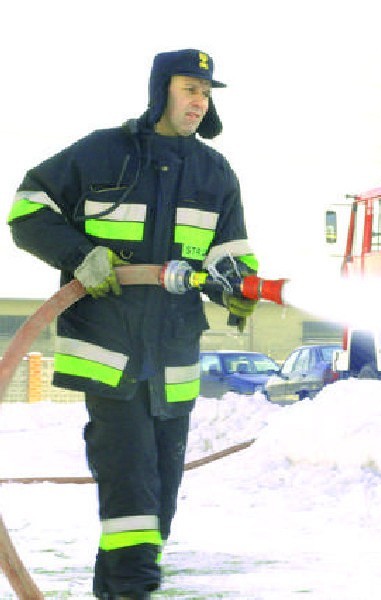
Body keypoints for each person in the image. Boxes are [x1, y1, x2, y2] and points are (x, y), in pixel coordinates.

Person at [7, 49, 258, 599]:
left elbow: (233, 253)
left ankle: (118, 591)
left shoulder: (215, 172)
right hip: (110, 356)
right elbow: (26, 210)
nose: (200, 102)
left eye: (207, 94)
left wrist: (241, 289)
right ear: (160, 90)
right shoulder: (104, 154)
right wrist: (81, 255)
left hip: (173, 365)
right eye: (190, 89)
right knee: (133, 500)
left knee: (158, 505)